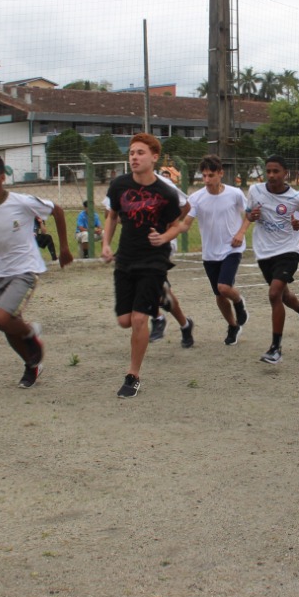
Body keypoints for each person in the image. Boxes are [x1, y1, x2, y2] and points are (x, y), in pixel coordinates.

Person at [0, 156, 72, 389]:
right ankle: (31, 365)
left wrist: (65, 248)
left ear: (2, 177)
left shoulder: (22, 202)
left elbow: (57, 210)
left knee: (1, 318)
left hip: (25, 269)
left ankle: (30, 333)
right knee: (7, 326)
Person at [102, 133, 188, 398]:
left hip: (153, 260)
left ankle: (133, 375)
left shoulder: (165, 192)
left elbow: (178, 225)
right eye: (131, 153)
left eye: (140, 153)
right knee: (124, 321)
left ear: (154, 157)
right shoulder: (119, 186)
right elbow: (112, 216)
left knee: (140, 319)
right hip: (126, 259)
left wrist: (163, 237)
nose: (134, 158)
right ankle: (161, 295)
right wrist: (106, 244)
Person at [243, 155, 299, 364]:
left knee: (274, 294)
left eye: (276, 171)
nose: (272, 175)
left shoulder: (295, 198)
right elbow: (248, 215)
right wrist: (252, 216)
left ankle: (276, 348)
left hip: (288, 250)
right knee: (283, 296)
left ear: (285, 174)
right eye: (269, 171)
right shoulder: (256, 191)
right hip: (264, 252)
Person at [181, 155, 250, 346]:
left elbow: (249, 214)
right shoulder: (196, 198)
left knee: (224, 287)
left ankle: (239, 302)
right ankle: (233, 325)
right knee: (219, 296)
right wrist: (167, 232)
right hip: (210, 253)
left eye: (211, 175)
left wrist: (241, 233)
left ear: (221, 173)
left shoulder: (235, 193)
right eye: (203, 176)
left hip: (232, 248)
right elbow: (186, 224)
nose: (207, 180)